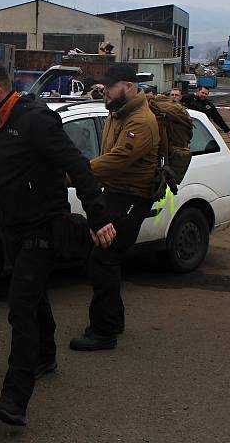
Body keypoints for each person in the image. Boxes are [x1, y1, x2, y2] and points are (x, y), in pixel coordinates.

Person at [0, 60, 116, 427]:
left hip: (42, 228)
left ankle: (14, 399)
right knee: (33, 298)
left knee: (20, 306)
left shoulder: (36, 121)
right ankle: (45, 355)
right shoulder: (1, 125)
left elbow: (78, 166)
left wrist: (99, 217)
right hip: (15, 228)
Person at [70, 63, 159, 352]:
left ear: (129, 87)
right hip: (116, 193)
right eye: (103, 86)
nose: (104, 90)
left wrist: (75, 173)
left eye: (109, 86)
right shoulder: (116, 113)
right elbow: (106, 155)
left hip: (133, 197)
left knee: (103, 259)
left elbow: (118, 159)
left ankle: (103, 332)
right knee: (102, 257)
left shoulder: (141, 121)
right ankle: (113, 320)